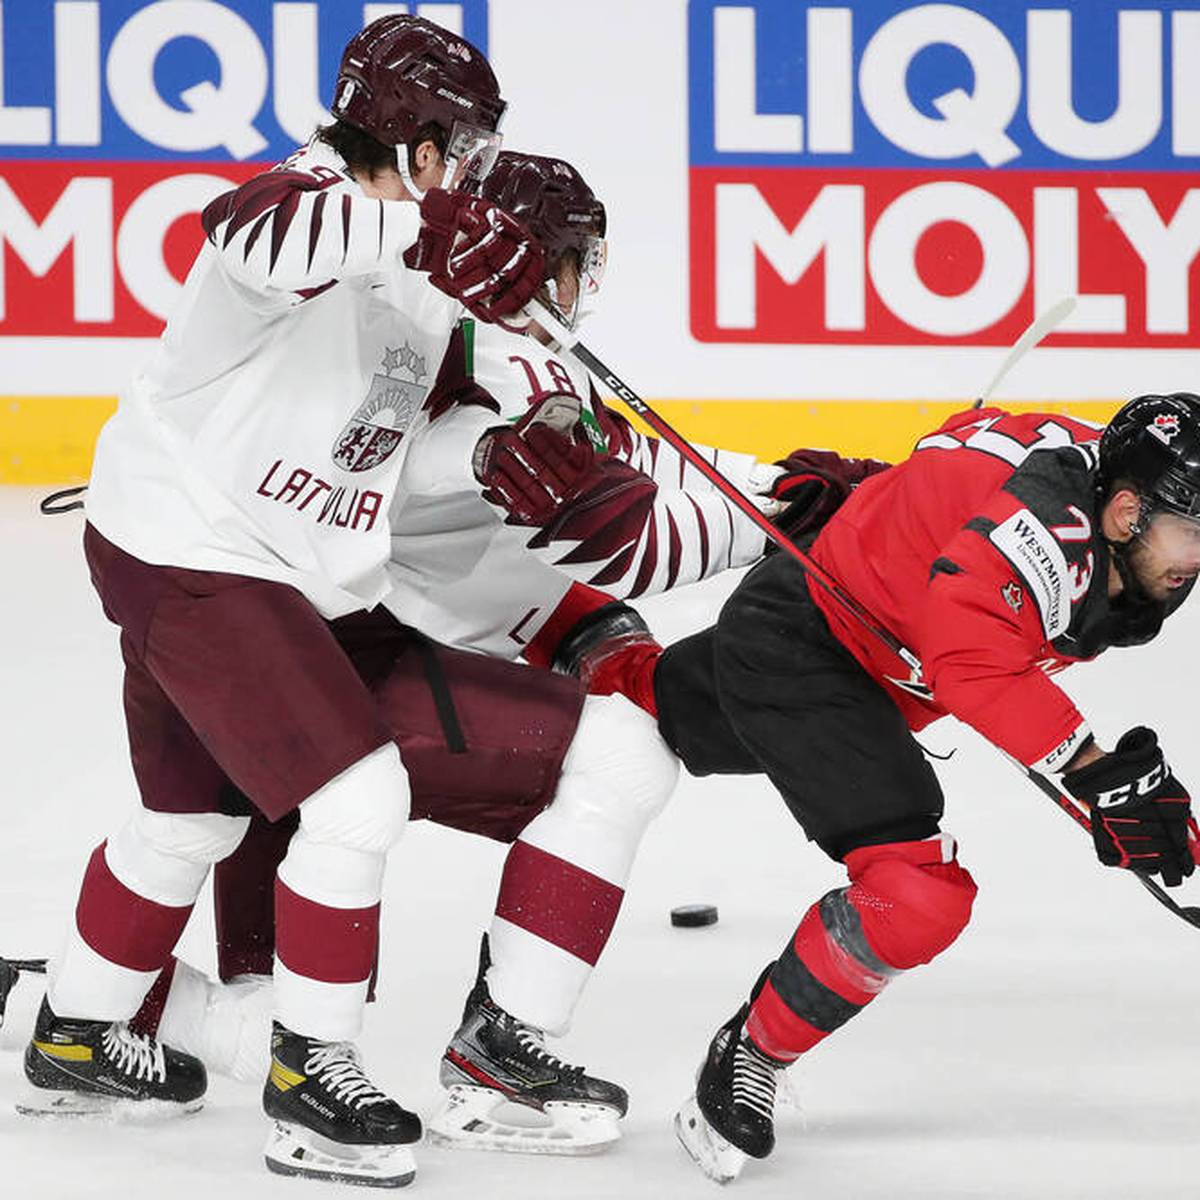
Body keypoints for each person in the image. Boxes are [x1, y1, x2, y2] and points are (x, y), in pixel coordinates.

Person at [24, 14, 543, 1188]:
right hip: (200, 554)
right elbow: (253, 234)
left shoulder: (418, 266)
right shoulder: (294, 206)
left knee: (189, 824)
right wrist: (436, 225)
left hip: (260, 568)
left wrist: (543, 425)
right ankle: (314, 1078)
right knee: (358, 802)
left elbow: (463, 389)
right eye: (455, 147)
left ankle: (77, 1031)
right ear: (408, 140)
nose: (465, 171)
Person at [588, 395, 1200, 1182]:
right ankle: (752, 1052)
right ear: (1124, 512)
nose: (1198, 559)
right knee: (918, 896)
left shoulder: (1103, 483)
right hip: (810, 647)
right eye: (1195, 532)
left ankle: (583, 653)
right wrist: (1091, 772)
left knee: (647, 713)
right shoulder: (1050, 529)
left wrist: (909, 500)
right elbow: (970, 650)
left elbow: (956, 440)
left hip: (848, 615)